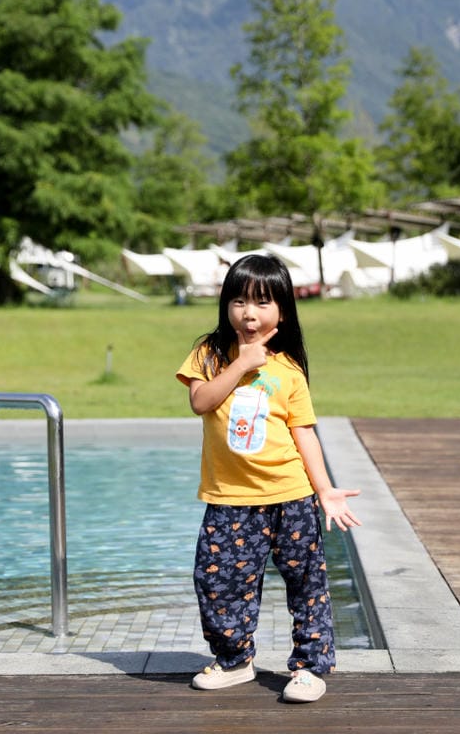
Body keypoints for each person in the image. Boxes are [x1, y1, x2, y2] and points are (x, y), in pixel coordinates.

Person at [175, 253, 362, 704]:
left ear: (282, 311)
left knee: (306, 585)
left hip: (290, 496)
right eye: (239, 301)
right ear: (226, 305)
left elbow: (304, 434)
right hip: (229, 499)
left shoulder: (289, 370)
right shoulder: (210, 355)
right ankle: (235, 661)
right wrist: (241, 364)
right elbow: (201, 402)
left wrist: (324, 489)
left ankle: (309, 669)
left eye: (262, 302)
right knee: (218, 584)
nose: (249, 313)